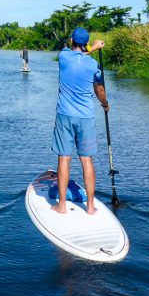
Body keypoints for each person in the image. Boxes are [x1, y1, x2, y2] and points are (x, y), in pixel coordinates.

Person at [51, 27, 109, 215]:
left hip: (65, 116)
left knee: (64, 159)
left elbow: (78, 53)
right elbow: (99, 90)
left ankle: (62, 206)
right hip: (86, 117)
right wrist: (105, 104)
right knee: (86, 160)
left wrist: (92, 48)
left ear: (71, 41)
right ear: (86, 43)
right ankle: (91, 207)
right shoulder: (93, 66)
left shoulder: (63, 57)